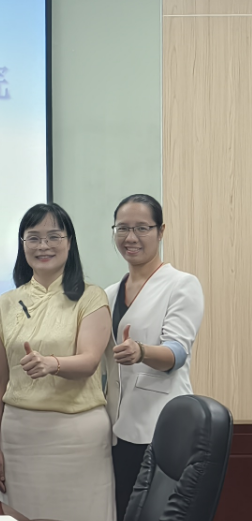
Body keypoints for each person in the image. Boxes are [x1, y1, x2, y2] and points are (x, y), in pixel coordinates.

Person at [0, 203, 116, 521]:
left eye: (54, 236)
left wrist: (51, 364)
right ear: (22, 245)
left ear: (69, 243)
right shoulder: (7, 302)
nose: (43, 245)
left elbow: (89, 361)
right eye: (33, 237)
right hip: (19, 438)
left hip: (78, 438)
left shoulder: (91, 296)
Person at [106, 194, 204, 520]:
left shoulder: (181, 284)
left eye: (142, 228)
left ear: (161, 231)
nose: (130, 237)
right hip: (118, 429)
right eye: (122, 228)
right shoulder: (109, 293)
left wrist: (142, 351)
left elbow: (177, 352)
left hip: (160, 427)